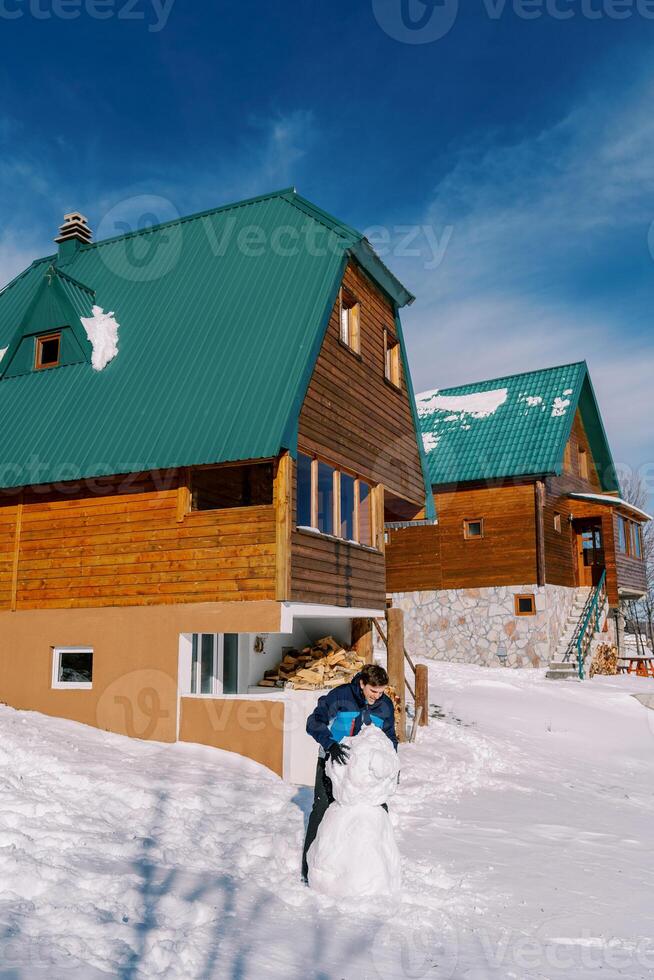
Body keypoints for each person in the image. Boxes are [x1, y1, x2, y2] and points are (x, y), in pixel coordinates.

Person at [301, 663, 398, 882]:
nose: (377, 696)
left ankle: (379, 873)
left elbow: (390, 738)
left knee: (378, 810)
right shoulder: (341, 696)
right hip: (332, 762)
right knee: (322, 809)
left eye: (381, 691)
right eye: (373, 691)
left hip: (365, 773)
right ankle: (309, 872)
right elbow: (313, 722)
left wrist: (391, 764)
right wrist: (330, 744)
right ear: (362, 683)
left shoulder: (385, 706)